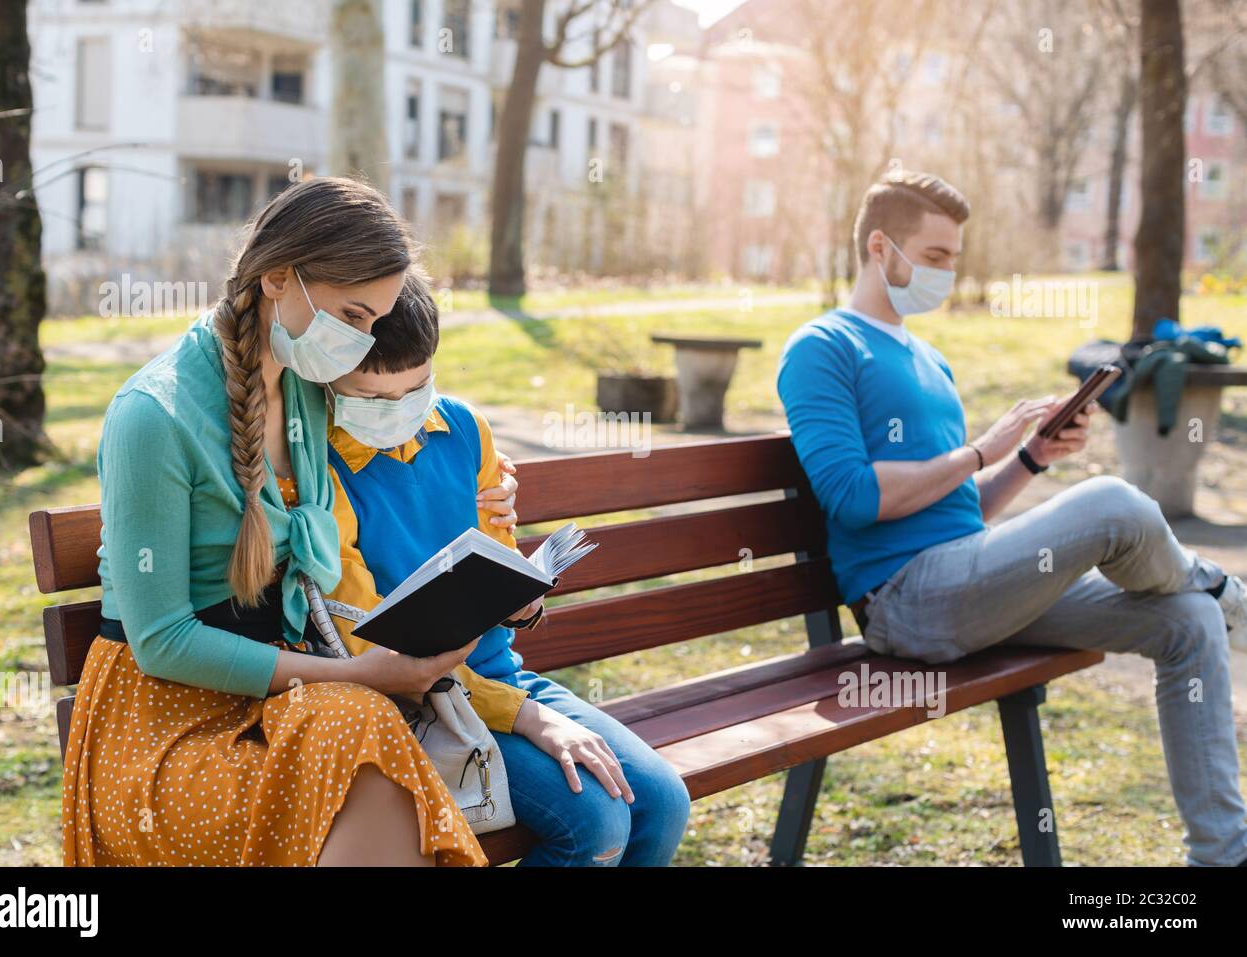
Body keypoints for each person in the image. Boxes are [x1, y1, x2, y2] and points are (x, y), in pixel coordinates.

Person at [777, 169, 1247, 867]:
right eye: (934, 257)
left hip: (970, 584)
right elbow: (853, 495)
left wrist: (1028, 457)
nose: (945, 273)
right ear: (880, 247)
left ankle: (1223, 856)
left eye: (953, 259)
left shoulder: (930, 359)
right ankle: (1217, 583)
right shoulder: (823, 347)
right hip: (907, 604)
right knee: (1114, 502)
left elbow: (959, 508)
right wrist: (978, 450)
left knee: (1187, 622)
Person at [63, 177, 521, 867]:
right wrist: (365, 675)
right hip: (164, 723)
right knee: (362, 723)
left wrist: (495, 483)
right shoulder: (152, 416)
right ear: (279, 278)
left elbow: (407, 424)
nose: (364, 342)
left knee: (364, 734)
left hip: (281, 696)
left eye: (376, 322)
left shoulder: (306, 385)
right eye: (354, 314)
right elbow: (162, 642)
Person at [321, 276, 691, 866]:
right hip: (420, 703)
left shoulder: (463, 428)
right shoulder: (320, 464)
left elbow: (496, 555)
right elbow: (367, 641)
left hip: (501, 677)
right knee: (595, 824)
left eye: (416, 391)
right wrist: (529, 718)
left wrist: (521, 599)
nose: (400, 416)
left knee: (664, 803)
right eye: (372, 400)